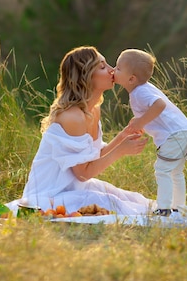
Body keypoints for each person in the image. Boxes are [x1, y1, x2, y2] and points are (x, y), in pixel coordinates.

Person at [13, 46, 154, 216]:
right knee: (115, 204)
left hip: (75, 189)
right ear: (85, 77)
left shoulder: (93, 110)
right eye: (102, 67)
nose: (111, 71)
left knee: (132, 199)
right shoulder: (72, 117)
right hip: (50, 195)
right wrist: (121, 151)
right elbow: (83, 174)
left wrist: (122, 137)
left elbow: (93, 155)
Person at [113, 49, 187, 217]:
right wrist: (142, 123)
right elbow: (154, 112)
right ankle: (179, 208)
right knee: (175, 172)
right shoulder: (144, 89)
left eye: (118, 68)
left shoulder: (140, 92)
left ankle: (164, 209)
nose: (114, 70)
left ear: (131, 78)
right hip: (182, 131)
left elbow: (159, 105)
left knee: (162, 170)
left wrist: (141, 122)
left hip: (174, 135)